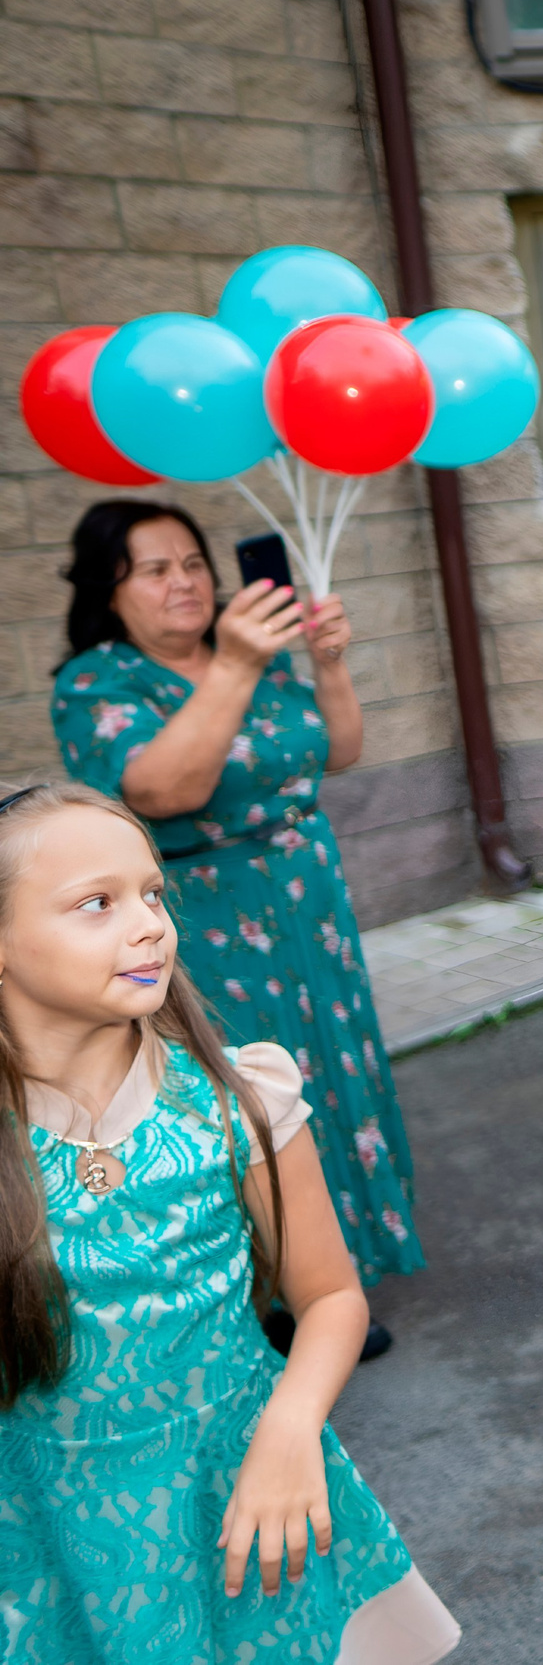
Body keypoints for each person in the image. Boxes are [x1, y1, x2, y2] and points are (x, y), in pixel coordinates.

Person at [0, 780, 458, 1663]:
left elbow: (329, 1296)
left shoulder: (239, 1099)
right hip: (47, 1525)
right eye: (97, 902)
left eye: (152, 893)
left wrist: (290, 1431)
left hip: (247, 1496)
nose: (148, 925)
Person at [50, 501, 419, 1358]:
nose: (184, 581)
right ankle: (264, 1301)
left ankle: (333, 1276)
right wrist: (240, 664)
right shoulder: (99, 683)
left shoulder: (240, 647)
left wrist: (326, 666)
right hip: (206, 928)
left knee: (327, 1074)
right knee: (243, 1098)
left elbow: (337, 749)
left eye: (193, 562)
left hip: (309, 913)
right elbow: (161, 790)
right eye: (155, 568)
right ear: (111, 591)